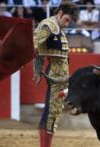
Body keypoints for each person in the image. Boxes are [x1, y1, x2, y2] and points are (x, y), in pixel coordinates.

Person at [32, 1, 78, 147]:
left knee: (52, 111)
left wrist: (38, 71)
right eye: (66, 20)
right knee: (52, 112)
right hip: (55, 75)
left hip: (59, 75)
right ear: (59, 13)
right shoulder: (49, 25)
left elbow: (39, 49)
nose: (67, 24)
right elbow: (34, 46)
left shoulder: (56, 27)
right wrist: (37, 70)